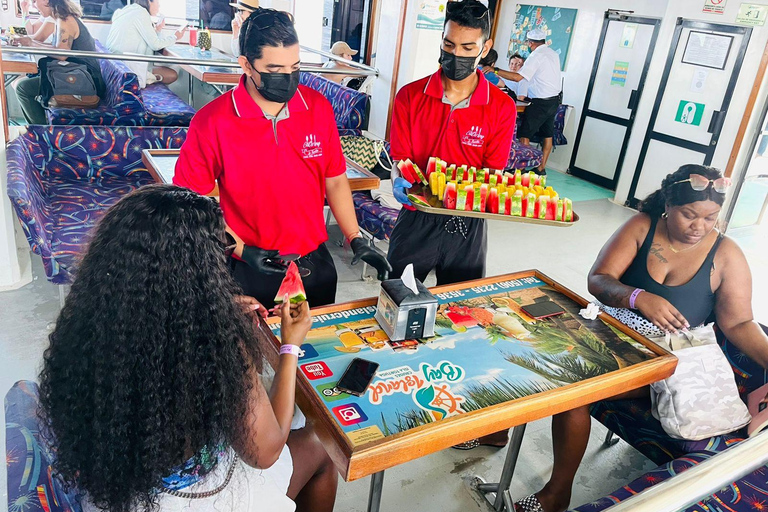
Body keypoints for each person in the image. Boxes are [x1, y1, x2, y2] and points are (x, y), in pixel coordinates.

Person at [39, 185, 337, 512]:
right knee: (320, 449)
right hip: (192, 500)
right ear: (198, 273)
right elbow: (266, 452)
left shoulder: (89, 320)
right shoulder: (215, 339)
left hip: (115, 489)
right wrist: (289, 347)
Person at [514, 164, 768, 512]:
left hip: (665, 360)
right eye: (689, 215)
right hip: (608, 335)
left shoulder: (725, 254)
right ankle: (495, 432)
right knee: (524, 351)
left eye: (710, 218)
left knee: (574, 392)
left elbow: (738, 322)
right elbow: (599, 279)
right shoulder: (642, 226)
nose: (699, 227)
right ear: (668, 205)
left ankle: (556, 493)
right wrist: (637, 297)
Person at [174, 8, 390, 310]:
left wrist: (356, 238)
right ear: (247, 65)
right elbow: (190, 204)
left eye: (295, 67)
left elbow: (335, 180)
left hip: (312, 262)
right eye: (275, 70)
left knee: (313, 352)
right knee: (245, 352)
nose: (288, 79)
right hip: (247, 266)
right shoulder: (212, 121)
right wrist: (240, 250)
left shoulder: (317, 108)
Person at [388, 0, 516, 286]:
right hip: (417, 214)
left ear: (485, 48)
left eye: (467, 48)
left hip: (467, 220)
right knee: (397, 297)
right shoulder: (409, 96)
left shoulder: (501, 107)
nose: (456, 54)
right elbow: (401, 160)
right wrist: (398, 178)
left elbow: (492, 172)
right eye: (449, 45)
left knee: (460, 306)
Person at [11, 0, 105, 125]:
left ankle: (42, 134)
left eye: (35, 1)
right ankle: (40, 129)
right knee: (26, 83)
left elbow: (61, 54)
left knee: (23, 88)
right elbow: (56, 47)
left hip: (86, 82)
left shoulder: (65, 20)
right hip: (76, 75)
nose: (34, 5)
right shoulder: (60, 18)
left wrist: (31, 43)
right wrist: (28, 42)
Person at [495, 28, 561, 174]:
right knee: (547, 135)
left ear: (530, 43)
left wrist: (494, 70)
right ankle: (541, 168)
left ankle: (521, 169)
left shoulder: (536, 56)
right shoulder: (553, 54)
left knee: (525, 135)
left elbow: (517, 77)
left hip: (540, 102)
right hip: (554, 100)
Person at [106, 0, 187, 88]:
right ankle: (147, 80)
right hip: (128, 66)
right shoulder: (141, 13)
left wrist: (158, 30)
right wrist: (175, 37)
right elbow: (155, 45)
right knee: (172, 75)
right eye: (157, 2)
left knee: (169, 74)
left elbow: (148, 41)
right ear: (149, 1)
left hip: (119, 64)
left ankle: (150, 79)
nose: (159, 6)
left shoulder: (128, 10)